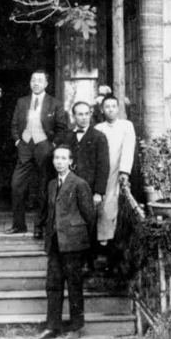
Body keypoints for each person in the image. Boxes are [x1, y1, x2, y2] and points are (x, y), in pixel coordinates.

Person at [31, 145, 95, 339]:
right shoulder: (52, 184)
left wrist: (83, 241)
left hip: (74, 244)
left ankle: (76, 327)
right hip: (55, 243)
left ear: (70, 161)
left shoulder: (79, 184)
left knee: (74, 285)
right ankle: (53, 326)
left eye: (63, 158)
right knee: (53, 285)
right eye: (56, 158)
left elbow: (89, 216)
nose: (59, 162)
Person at [5, 69, 68, 238]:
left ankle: (40, 227)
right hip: (25, 147)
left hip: (44, 148)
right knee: (17, 186)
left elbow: (62, 129)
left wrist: (52, 146)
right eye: (33, 80)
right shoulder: (22, 102)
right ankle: (19, 225)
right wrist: (18, 141)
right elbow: (14, 125)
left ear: (46, 83)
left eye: (40, 80)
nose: (36, 83)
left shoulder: (54, 103)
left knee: (43, 189)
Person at [64, 101, 110, 268]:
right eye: (80, 114)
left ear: (90, 115)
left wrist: (99, 192)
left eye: (86, 114)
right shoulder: (67, 137)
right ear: (74, 116)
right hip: (70, 188)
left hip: (89, 189)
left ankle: (87, 262)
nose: (84, 118)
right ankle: (72, 261)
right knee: (70, 223)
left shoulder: (99, 137)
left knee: (88, 224)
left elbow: (103, 166)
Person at [95, 96, 136, 246]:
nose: (110, 110)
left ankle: (116, 237)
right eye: (107, 107)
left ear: (118, 109)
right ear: (102, 110)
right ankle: (104, 235)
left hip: (120, 166)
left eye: (113, 106)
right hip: (103, 168)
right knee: (104, 200)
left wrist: (124, 171)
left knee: (117, 199)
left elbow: (128, 148)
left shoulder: (126, 126)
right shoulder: (98, 128)